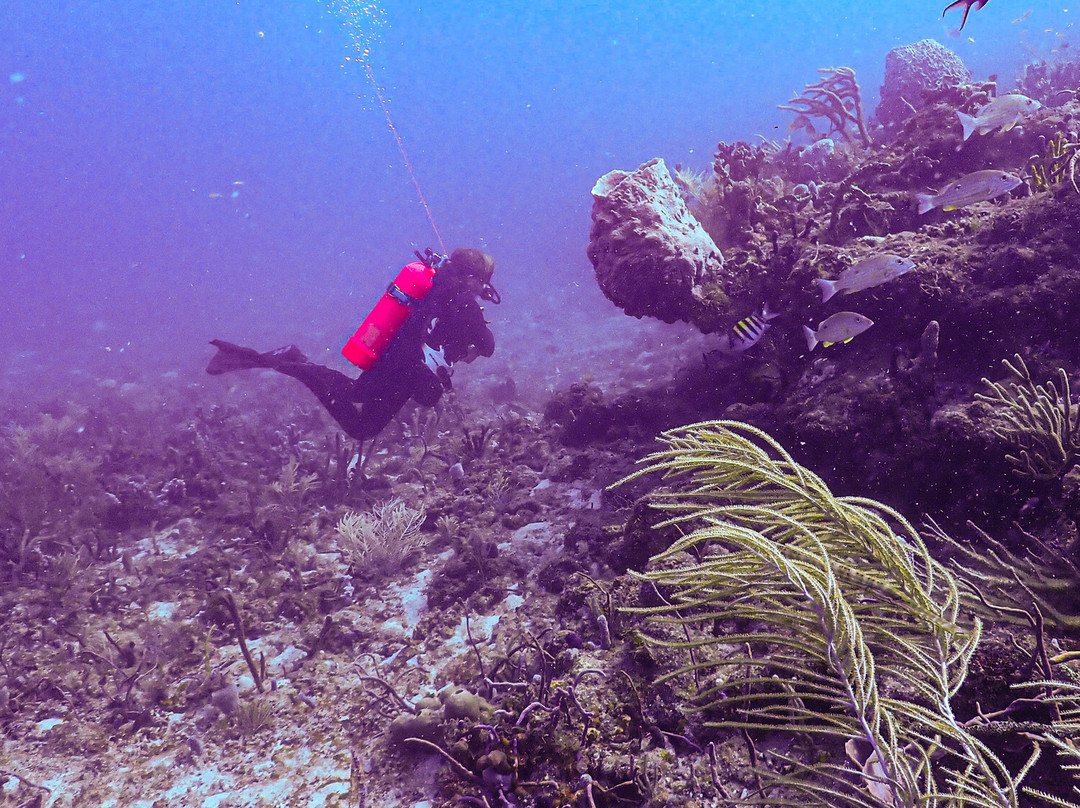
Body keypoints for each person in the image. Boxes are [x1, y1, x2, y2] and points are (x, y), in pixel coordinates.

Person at [206, 248, 499, 443]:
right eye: (482, 281)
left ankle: (290, 360)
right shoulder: (463, 302)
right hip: (406, 367)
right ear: (471, 278)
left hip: (396, 357)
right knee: (359, 412)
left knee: (360, 415)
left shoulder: (435, 285)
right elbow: (488, 346)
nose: (483, 289)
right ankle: (289, 359)